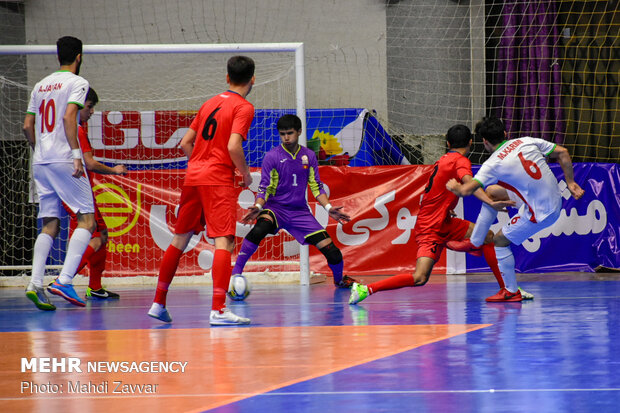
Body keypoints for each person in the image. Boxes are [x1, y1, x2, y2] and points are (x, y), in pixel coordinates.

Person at [349, 124, 514, 305]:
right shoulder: (460, 161)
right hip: (430, 228)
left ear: (448, 143)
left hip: (445, 221)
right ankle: (366, 289)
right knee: (420, 277)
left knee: (488, 237)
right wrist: (490, 202)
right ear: (471, 142)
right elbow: (469, 182)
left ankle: (508, 290)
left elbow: (436, 192)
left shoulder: (442, 160)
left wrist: (445, 207)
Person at [148, 55, 255, 325]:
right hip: (217, 178)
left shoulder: (209, 103)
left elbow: (185, 143)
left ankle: (158, 302)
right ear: (253, 79)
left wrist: (200, 162)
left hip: (193, 175)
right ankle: (219, 309)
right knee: (224, 241)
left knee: (179, 238)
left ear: (227, 77)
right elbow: (233, 146)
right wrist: (244, 173)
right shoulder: (244, 107)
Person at [445, 116, 585, 301]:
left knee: (499, 241)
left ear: (484, 142)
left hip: (542, 212)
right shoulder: (526, 141)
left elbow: (466, 190)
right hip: (552, 197)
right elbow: (563, 153)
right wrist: (570, 182)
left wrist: (455, 188)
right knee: (492, 192)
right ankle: (476, 241)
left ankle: (511, 291)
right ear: (505, 134)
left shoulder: (492, 163)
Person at [232, 114, 356, 289]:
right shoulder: (272, 156)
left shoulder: (309, 156)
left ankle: (339, 280)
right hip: (275, 209)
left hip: (300, 213)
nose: (286, 138)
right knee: (259, 229)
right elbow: (265, 186)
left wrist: (328, 208)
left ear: (299, 132)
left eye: (290, 133)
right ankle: (235, 275)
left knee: (333, 253)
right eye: (282, 134)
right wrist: (259, 206)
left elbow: (315, 185)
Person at [23, 36, 95, 310]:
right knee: (86, 219)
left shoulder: (40, 85)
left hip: (40, 160)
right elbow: (68, 118)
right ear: (79, 57)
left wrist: (39, 151)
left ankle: (35, 282)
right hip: (64, 158)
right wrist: (76, 155)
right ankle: (64, 280)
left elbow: (28, 126)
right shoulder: (78, 82)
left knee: (50, 223)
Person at [64, 87, 127, 299]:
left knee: (101, 234)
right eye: (89, 107)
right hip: (79, 193)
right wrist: (114, 170)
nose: (92, 112)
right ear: (79, 105)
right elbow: (89, 163)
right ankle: (64, 280)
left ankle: (95, 287)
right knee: (97, 236)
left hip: (74, 191)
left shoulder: (71, 128)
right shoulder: (77, 130)